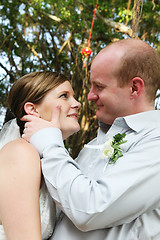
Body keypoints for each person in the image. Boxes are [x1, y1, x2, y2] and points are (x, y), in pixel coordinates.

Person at [22, 39, 160, 240]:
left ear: (134, 88)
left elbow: (91, 210)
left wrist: (50, 144)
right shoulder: (95, 143)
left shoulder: (155, 141)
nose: (89, 96)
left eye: (99, 86)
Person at [0, 71, 81, 240]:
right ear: (32, 109)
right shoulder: (21, 153)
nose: (77, 103)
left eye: (73, 96)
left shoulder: (47, 159)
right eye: (64, 96)